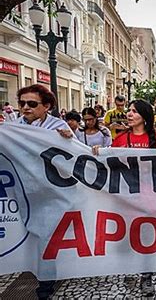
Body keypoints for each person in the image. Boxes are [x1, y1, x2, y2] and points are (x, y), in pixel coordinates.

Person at [93, 99, 156, 297]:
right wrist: (97, 153)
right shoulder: (119, 139)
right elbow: (110, 163)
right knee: (128, 235)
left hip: (150, 197)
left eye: (134, 111)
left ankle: (147, 277)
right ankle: (129, 267)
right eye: (129, 110)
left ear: (144, 117)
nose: (129, 114)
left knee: (147, 237)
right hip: (125, 197)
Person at [14, 84, 73, 300]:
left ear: (46, 106)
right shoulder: (13, 127)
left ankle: (45, 285)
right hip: (22, 190)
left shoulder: (58, 127)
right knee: (30, 236)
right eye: (22, 103)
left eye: (32, 104)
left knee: (46, 238)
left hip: (50, 192)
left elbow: (75, 156)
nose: (25, 108)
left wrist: (69, 140)